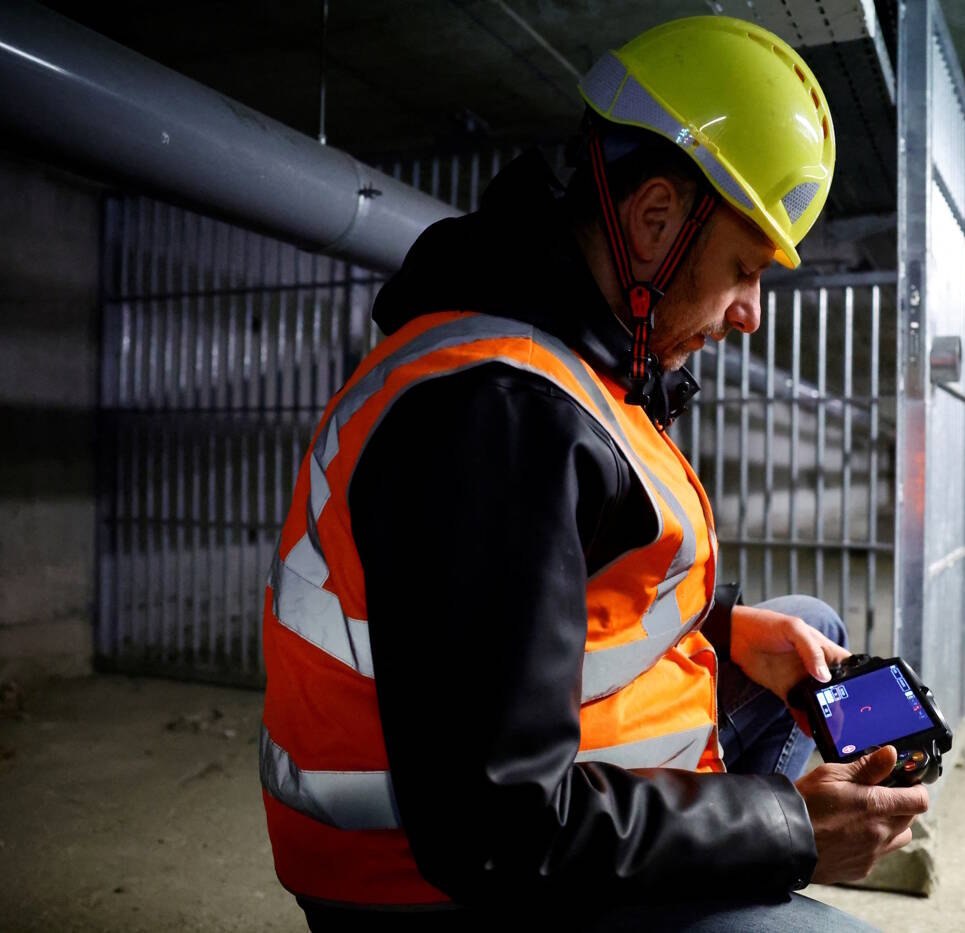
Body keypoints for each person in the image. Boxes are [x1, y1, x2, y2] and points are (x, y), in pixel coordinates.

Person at [258, 16, 927, 930]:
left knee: (804, 629)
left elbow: (539, 607)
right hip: (428, 888)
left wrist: (727, 629)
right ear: (655, 221)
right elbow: (494, 833)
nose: (750, 316)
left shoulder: (563, 365)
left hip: (516, 809)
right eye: (745, 269)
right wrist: (788, 825)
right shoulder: (498, 415)